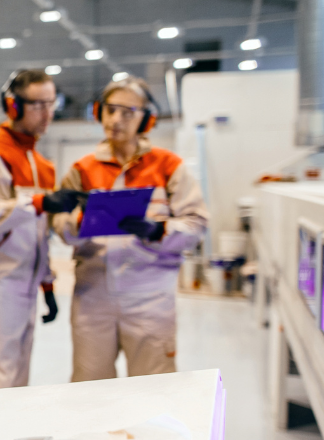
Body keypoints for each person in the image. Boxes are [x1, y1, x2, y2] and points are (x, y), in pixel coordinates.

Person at [52, 77, 208, 381]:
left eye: (127, 112)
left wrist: (157, 231)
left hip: (150, 298)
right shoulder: (82, 170)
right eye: (110, 110)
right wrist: (78, 221)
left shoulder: (168, 166)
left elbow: (197, 223)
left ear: (146, 120)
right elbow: (60, 227)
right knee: (90, 389)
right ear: (99, 112)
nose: (115, 120)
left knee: (153, 386)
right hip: (92, 297)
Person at [0, 69, 85, 390]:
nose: (48, 114)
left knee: (18, 380)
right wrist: (40, 202)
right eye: (37, 105)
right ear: (13, 106)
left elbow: (39, 234)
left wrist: (47, 284)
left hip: (27, 286)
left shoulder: (42, 164)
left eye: (52, 103)